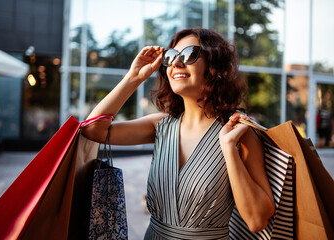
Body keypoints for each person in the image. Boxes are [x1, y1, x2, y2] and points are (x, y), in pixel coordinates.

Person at [83, 28, 275, 239]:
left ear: (214, 65)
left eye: (189, 54)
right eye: (171, 56)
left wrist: (229, 149)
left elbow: (257, 221)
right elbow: (93, 130)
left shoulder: (240, 132)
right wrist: (133, 78)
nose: (176, 63)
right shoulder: (161, 125)